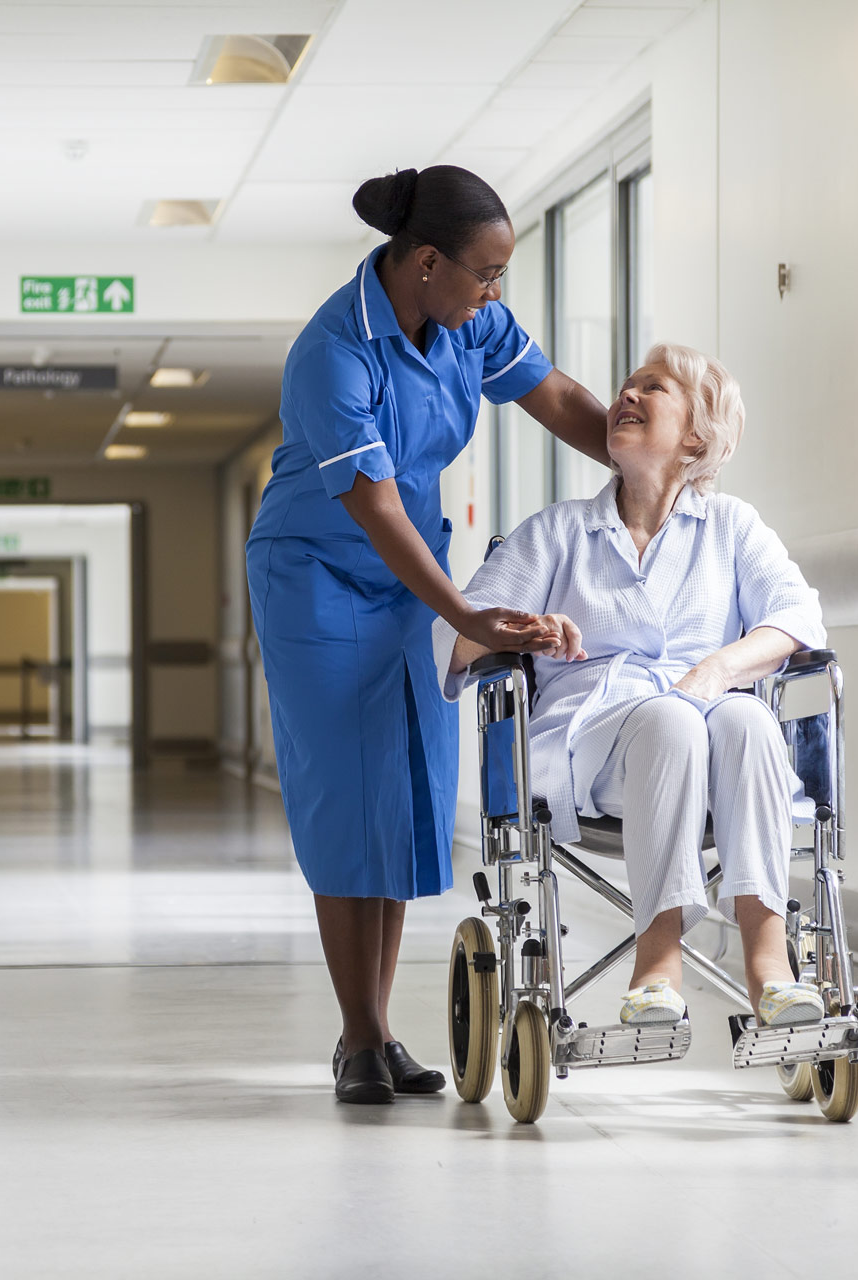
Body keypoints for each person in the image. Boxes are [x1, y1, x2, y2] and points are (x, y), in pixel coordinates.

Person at [246, 166, 616, 1104]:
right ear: (424, 263)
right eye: (487, 274)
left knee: (401, 790)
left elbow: (556, 395)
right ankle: (358, 1039)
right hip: (318, 577)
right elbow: (371, 506)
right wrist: (463, 613)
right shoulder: (333, 351)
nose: (498, 293)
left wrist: (646, 451)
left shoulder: (466, 324)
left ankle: (378, 1034)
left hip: (412, 575)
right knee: (344, 792)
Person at [436, 343, 829, 1030]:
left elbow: (798, 620)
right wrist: (520, 631)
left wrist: (715, 672)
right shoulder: (559, 533)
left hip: (714, 742)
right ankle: (657, 962)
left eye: (654, 388)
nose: (626, 395)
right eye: (626, 386)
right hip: (594, 750)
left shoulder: (732, 528)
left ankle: (770, 961)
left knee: (746, 721)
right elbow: (457, 638)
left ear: (697, 436)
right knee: (672, 722)